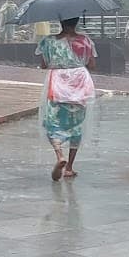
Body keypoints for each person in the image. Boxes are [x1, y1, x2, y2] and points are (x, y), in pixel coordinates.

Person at [36, 16, 97, 180]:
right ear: (76, 22)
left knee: (52, 121)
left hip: (57, 83)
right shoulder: (85, 41)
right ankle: (69, 167)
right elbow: (92, 65)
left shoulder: (48, 41)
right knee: (76, 124)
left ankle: (59, 155)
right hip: (79, 83)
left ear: (60, 23)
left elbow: (43, 65)